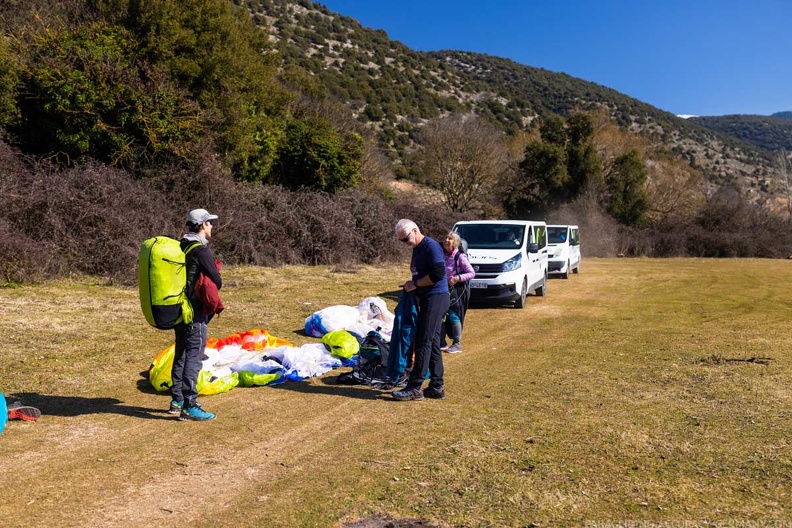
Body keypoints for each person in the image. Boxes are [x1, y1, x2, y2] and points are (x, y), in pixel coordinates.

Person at [170, 209, 222, 421]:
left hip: (178, 309)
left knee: (181, 352)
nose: (211, 227)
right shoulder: (201, 250)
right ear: (202, 225)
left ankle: (177, 400)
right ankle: (189, 405)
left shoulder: (180, 246)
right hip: (195, 311)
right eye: (209, 223)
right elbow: (217, 281)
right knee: (194, 355)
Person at [392, 219, 450, 401]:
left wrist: (415, 283)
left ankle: (415, 387)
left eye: (406, 239)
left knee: (423, 341)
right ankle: (437, 387)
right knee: (432, 342)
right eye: (401, 241)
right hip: (427, 298)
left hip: (437, 297)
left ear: (415, 230)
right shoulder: (417, 248)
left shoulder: (430, 246)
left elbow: (438, 274)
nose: (405, 243)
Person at [441, 232, 475, 354]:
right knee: (442, 314)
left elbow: (471, 273)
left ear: (455, 242)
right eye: (445, 238)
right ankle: (442, 342)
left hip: (457, 290)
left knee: (454, 314)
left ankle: (456, 344)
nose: (446, 240)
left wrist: (457, 278)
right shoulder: (442, 255)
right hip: (443, 289)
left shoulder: (460, 256)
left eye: (449, 238)